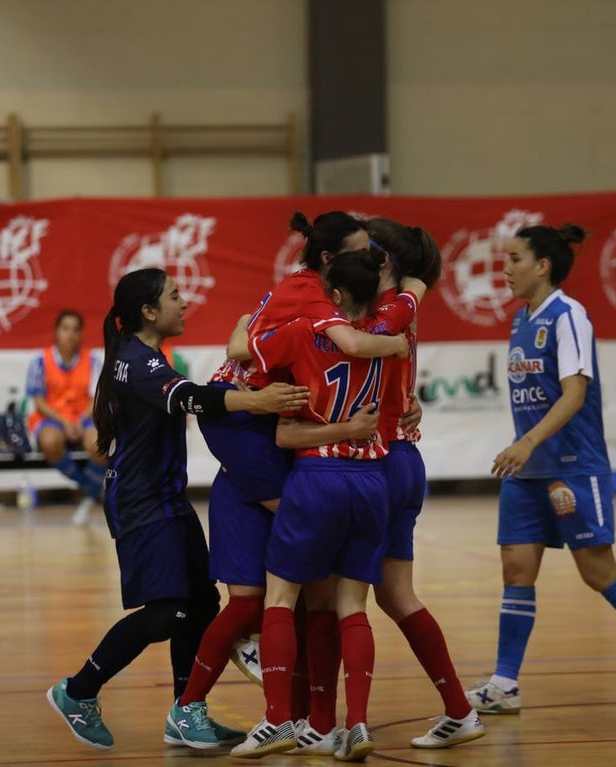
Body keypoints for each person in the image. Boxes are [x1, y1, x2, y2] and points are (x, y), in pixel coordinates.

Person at [165, 212, 406, 752]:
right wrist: (396, 347)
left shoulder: (333, 311)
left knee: (294, 594)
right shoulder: (322, 303)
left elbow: (245, 335)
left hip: (286, 442)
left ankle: (306, 717)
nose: (371, 255)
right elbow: (242, 351)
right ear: (330, 261)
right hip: (249, 426)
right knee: (299, 594)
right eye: (361, 249)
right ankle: (218, 705)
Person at [45, 268, 310, 751]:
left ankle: (185, 712)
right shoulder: (138, 362)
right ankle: (78, 690)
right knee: (169, 610)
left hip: (166, 496)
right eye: (174, 295)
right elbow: (190, 398)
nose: (184, 302)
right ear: (148, 311)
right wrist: (257, 401)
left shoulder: (141, 356)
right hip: (141, 501)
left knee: (203, 603)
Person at [464, 224, 616, 716]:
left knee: (597, 571)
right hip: (528, 472)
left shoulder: (568, 316)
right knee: (516, 571)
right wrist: (526, 449)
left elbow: (575, 393)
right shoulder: (520, 320)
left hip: (573, 466)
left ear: (542, 265)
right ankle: (504, 684)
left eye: (514, 259)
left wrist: (527, 441)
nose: (505, 269)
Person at [228, 248, 395, 761]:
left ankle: (277, 719)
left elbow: (244, 355)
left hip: (317, 476)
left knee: (280, 598)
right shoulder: (387, 337)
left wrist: (247, 323)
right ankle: (356, 724)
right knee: (352, 605)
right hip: (371, 478)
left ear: (335, 294)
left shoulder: (303, 331)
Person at [360, 219, 486, 749]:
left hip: (374, 462)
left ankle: (332, 724)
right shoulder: (398, 306)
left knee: (339, 601)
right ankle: (459, 708)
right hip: (403, 458)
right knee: (396, 595)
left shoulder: (382, 312)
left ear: (383, 259)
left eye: (361, 247)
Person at [25, 310, 108, 526]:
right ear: (56, 332)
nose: (70, 334)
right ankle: (88, 486)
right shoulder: (40, 361)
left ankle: (88, 497)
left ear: (81, 334)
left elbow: (97, 398)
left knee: (101, 445)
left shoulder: (93, 361)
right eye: (65, 329)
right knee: (49, 441)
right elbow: (39, 402)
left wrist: (79, 421)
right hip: (53, 418)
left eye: (75, 329)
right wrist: (64, 422)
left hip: (84, 417)